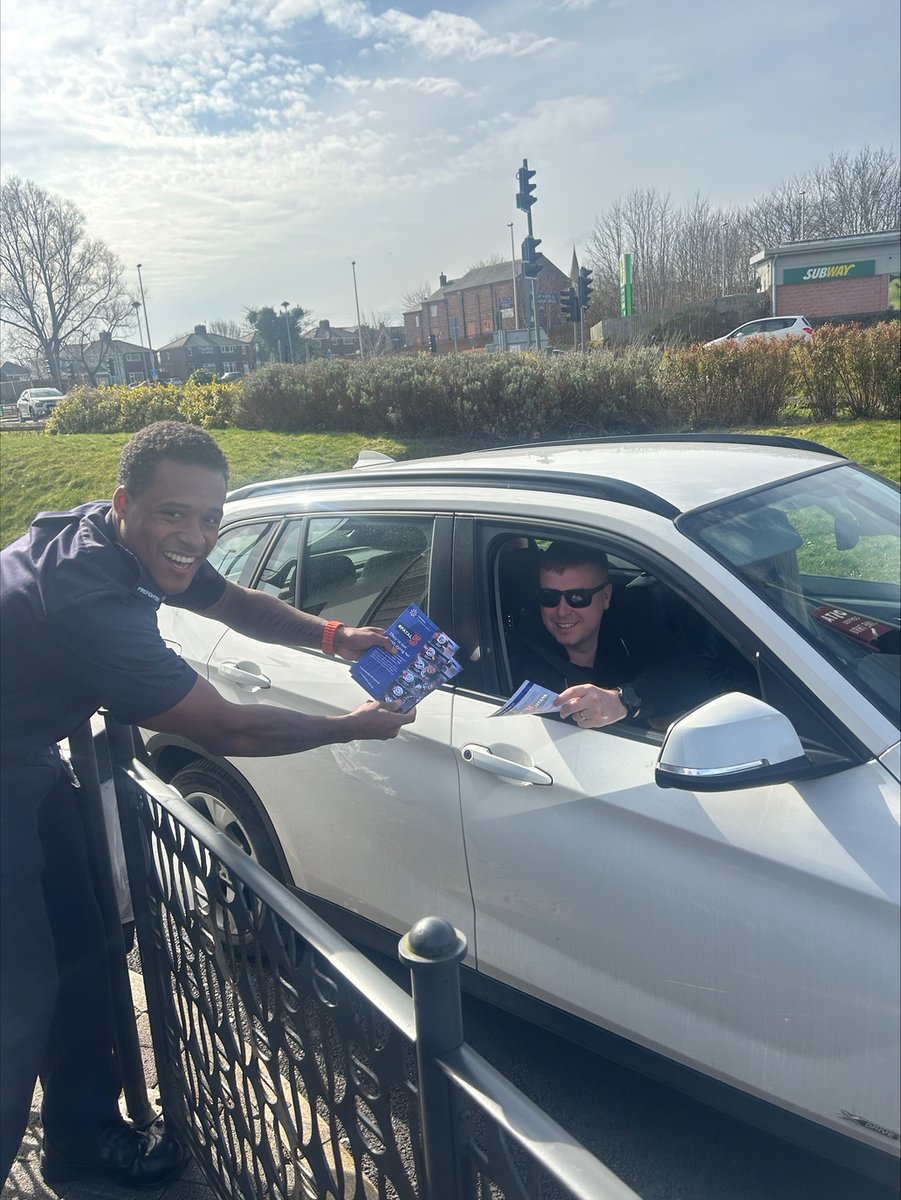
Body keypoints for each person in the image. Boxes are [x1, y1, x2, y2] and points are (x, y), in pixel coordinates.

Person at [0, 421, 415, 1190]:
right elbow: (225, 725)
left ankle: (81, 1139)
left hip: (25, 761)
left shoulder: (108, 535)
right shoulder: (89, 600)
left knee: (86, 952)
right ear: (127, 503)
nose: (194, 535)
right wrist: (353, 726)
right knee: (15, 996)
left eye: (210, 516)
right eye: (174, 515)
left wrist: (333, 636)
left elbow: (231, 600)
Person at [507, 541, 748, 730]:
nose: (561, 610)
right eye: (549, 597)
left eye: (577, 597)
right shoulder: (523, 661)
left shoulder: (628, 624)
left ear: (607, 596)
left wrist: (624, 701)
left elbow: (688, 674)